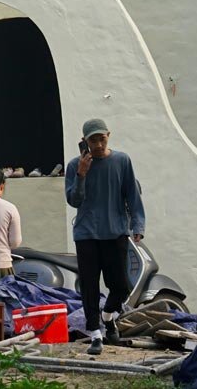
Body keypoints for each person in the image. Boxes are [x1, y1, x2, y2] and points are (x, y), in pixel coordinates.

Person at [64, 117, 146, 355]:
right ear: (84, 142)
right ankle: (95, 334)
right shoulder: (74, 165)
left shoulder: (122, 161)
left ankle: (108, 315)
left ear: (108, 136)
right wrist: (81, 174)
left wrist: (138, 225)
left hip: (115, 232)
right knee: (89, 286)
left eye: (102, 139)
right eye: (93, 141)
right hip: (86, 234)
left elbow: (132, 195)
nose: (98, 145)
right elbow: (74, 201)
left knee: (120, 286)